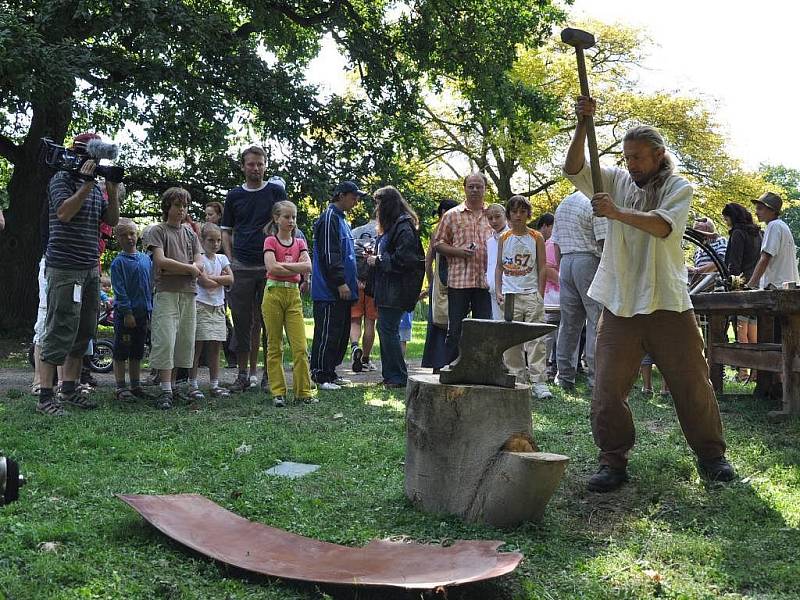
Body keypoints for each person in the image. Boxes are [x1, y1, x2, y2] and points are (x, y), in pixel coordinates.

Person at [565, 95, 734, 491]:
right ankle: (613, 462)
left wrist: (616, 213)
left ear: (658, 155)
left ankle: (712, 457)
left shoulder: (678, 187)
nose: (631, 165)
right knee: (606, 388)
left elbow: (661, 227)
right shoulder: (617, 182)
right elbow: (573, 167)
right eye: (627, 158)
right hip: (620, 301)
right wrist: (581, 124)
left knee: (692, 385)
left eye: (638, 157)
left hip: (668, 302)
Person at [36, 132, 120, 416]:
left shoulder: (97, 187)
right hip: (65, 268)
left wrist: (110, 186)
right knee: (60, 328)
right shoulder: (61, 179)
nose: (94, 164)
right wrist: (85, 184)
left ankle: (69, 389)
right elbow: (63, 213)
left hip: (90, 267)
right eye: (91, 158)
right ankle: (46, 396)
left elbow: (111, 221)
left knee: (84, 330)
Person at [221, 146, 288, 392]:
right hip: (242, 266)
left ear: (265, 165)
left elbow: (286, 224)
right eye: (251, 164)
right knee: (242, 321)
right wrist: (231, 260)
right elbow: (226, 231)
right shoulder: (234, 196)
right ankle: (242, 375)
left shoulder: (275, 191)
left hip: (270, 267)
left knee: (271, 321)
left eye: (260, 164)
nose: (255, 168)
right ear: (243, 166)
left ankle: (269, 375)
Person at [144, 187, 204, 409]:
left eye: (185, 206)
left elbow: (200, 262)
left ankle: (176, 386)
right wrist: (190, 269)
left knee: (184, 340)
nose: (182, 210)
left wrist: (183, 269)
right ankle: (165, 389)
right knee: (165, 339)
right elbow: (161, 262)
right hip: (166, 292)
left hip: (188, 292)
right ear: (167, 207)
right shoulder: (157, 231)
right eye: (178, 205)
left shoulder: (190, 233)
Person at [366, 186, 425, 388]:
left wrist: (378, 260)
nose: (377, 209)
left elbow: (405, 259)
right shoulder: (397, 226)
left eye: (379, 204)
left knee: (388, 330)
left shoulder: (403, 226)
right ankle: (392, 375)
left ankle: (397, 376)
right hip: (390, 288)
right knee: (387, 329)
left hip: (396, 289)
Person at [494, 195, 552, 399]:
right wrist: (499, 291)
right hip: (510, 295)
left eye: (522, 211)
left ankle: (539, 382)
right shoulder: (504, 238)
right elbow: (499, 267)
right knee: (511, 340)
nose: (518, 216)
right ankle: (517, 379)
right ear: (509, 214)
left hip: (531, 294)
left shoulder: (536, 237)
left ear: (528, 214)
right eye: (514, 212)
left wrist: (540, 293)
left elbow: (543, 266)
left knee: (536, 339)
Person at [434, 173, 495, 365]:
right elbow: (438, 244)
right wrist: (458, 251)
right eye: (471, 186)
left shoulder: (493, 215)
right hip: (459, 280)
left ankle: (481, 369)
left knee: (484, 329)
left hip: (485, 282)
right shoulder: (451, 215)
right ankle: (450, 368)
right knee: (455, 329)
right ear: (465, 188)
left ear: (485, 189)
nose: (475, 190)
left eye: (479, 186)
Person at [551, 191, 606, 391]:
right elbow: (603, 240)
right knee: (595, 320)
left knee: (569, 323)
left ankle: (564, 376)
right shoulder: (594, 201)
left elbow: (555, 242)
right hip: (588, 259)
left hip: (566, 261)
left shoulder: (564, 203)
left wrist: (561, 268)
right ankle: (595, 379)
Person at [261, 201, 315, 406]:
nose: (291, 221)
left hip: (293, 296)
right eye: (286, 217)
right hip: (273, 293)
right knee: (274, 345)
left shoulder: (300, 242)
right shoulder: (270, 241)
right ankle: (278, 393)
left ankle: (303, 392)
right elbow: (271, 268)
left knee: (300, 347)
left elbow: (308, 266)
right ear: (276, 219)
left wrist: (282, 266)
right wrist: (295, 267)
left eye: (293, 217)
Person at [311, 181, 363, 389]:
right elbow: (329, 253)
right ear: (341, 196)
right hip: (329, 291)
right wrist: (340, 282)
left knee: (340, 335)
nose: (356, 200)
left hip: (343, 291)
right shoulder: (329, 218)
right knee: (327, 333)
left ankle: (331, 372)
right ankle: (320, 374)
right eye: (353, 196)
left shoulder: (342, 220)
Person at [189, 223, 234, 400]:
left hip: (218, 306)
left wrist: (213, 279)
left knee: (216, 347)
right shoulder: (199, 260)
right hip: (201, 305)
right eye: (211, 240)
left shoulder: (222, 259)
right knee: (197, 346)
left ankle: (215, 384)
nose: (215, 244)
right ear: (202, 240)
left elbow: (231, 278)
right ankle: (192, 384)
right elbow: (204, 283)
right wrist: (220, 280)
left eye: (218, 240)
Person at [110, 218, 153, 403]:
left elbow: (150, 285)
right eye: (124, 235)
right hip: (126, 316)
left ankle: (136, 385)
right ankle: (121, 386)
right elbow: (119, 290)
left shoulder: (145, 259)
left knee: (137, 350)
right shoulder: (118, 263)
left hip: (143, 314)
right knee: (122, 350)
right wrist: (127, 313)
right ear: (117, 239)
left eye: (132, 233)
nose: (129, 238)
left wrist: (150, 310)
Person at [721, 202, 763, 382]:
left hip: (740, 286)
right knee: (753, 332)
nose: (726, 222)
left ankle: (743, 371)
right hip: (756, 285)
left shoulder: (738, 233)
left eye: (726, 218)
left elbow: (734, 263)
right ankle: (755, 371)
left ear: (732, 217)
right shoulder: (757, 233)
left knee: (741, 332)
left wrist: (729, 282)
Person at [421, 199, 459, 372]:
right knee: (452, 320)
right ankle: (452, 360)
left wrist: (431, 282)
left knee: (438, 320)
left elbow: (428, 261)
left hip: (440, 280)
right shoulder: (457, 229)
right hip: (457, 279)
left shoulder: (437, 231)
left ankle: (437, 362)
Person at [747, 192, 799, 290]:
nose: (756, 212)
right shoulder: (782, 226)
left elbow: (765, 259)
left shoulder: (773, 226)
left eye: (760, 208)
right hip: (787, 287)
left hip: (777, 289)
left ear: (772, 211)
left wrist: (750, 285)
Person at [350, 211, 379, 373]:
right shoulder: (382, 232)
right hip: (373, 285)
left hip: (356, 283)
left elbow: (349, 256)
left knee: (354, 320)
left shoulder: (355, 232)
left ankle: (355, 346)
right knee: (370, 322)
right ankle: (366, 359)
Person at [536, 213, 560, 381]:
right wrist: (566, 284)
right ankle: (544, 367)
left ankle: (553, 366)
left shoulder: (554, 242)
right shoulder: (550, 244)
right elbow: (548, 269)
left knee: (559, 333)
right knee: (550, 333)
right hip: (553, 296)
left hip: (557, 296)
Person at [485, 203, 509, 321]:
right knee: (498, 323)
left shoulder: (512, 237)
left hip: (508, 290)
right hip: (493, 290)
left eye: (497, 216)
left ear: (505, 216)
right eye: (490, 218)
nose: (494, 221)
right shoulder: (490, 241)